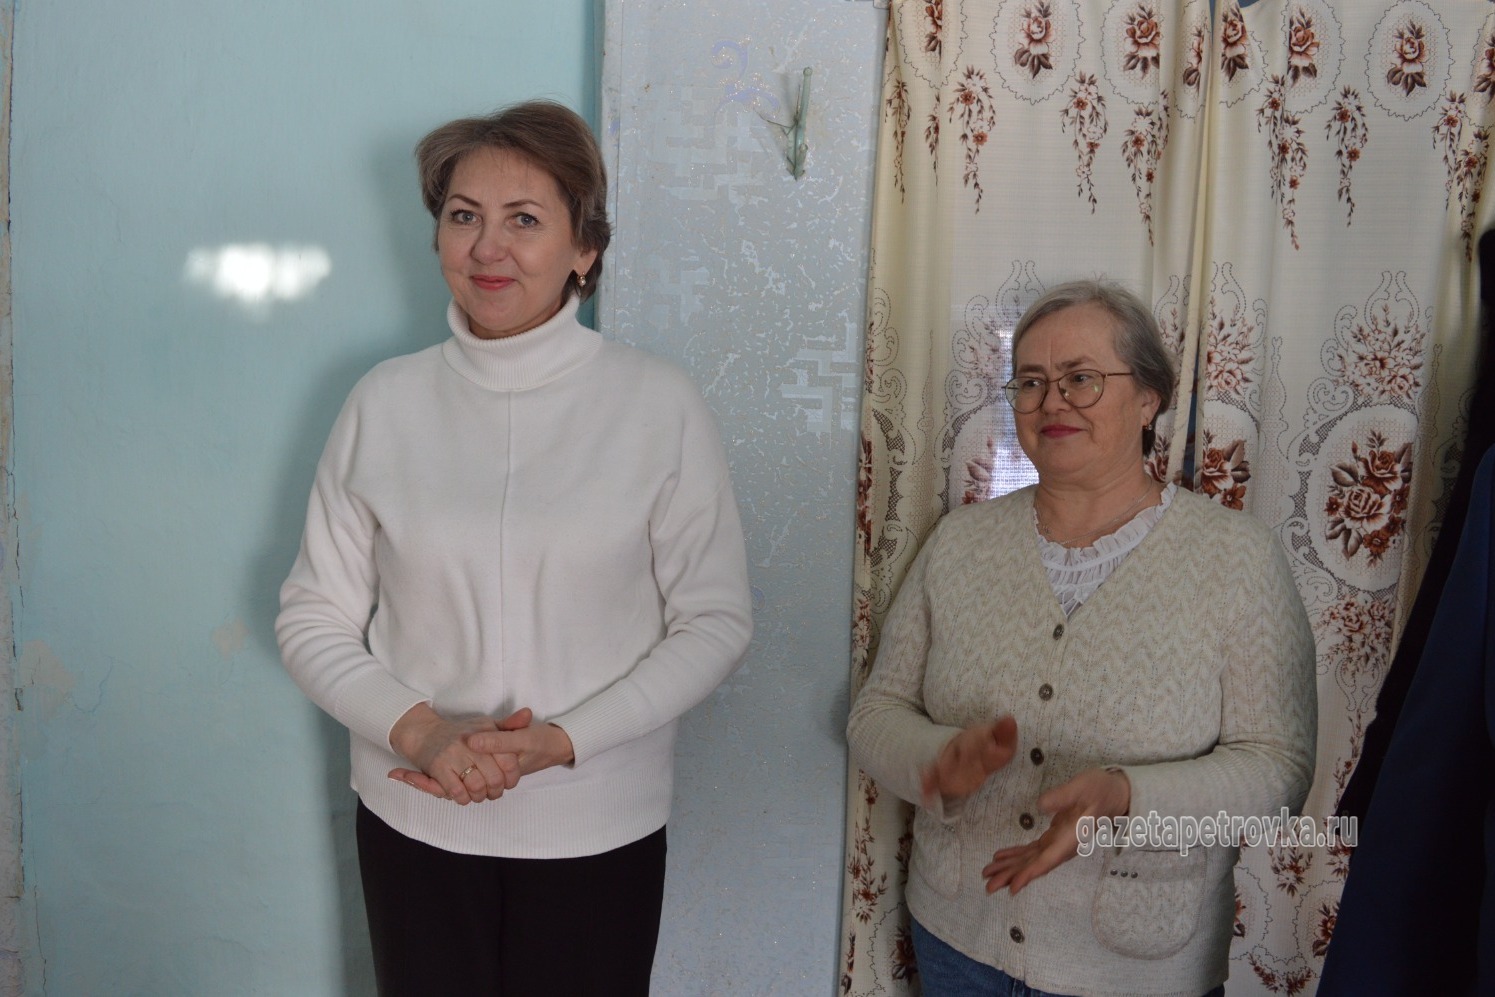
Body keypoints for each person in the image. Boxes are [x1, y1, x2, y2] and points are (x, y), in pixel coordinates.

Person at [276, 99, 752, 995]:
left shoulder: (658, 405)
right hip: (413, 820)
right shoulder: (382, 401)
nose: (487, 248)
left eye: (524, 220)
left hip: (596, 829)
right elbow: (312, 614)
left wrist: (563, 741)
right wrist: (419, 731)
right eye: (464, 216)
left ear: (585, 249)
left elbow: (715, 621)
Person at [847, 279, 1316, 997]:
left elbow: (1278, 771)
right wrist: (936, 759)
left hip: (1136, 968)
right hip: (957, 942)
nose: (1052, 402)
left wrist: (1127, 797)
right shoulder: (959, 543)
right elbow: (874, 714)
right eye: (1031, 382)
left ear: (1148, 399)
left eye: (1081, 379)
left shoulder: (1236, 558)